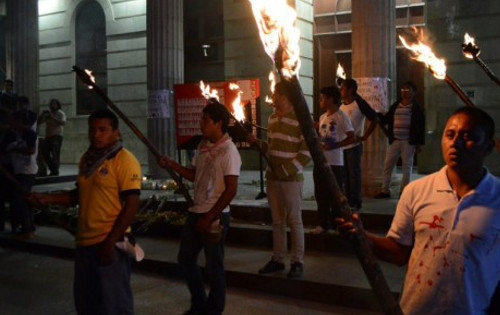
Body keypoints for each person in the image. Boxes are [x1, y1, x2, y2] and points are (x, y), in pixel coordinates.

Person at [338, 107, 500, 314]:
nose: (456, 143)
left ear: (488, 147)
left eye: (467, 136)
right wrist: (364, 237)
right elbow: (399, 252)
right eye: (450, 135)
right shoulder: (416, 191)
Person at [30, 109, 141, 314]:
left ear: (116, 132)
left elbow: (132, 204)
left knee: (114, 304)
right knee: (87, 304)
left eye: (102, 130)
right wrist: (48, 198)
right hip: (84, 244)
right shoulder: (87, 160)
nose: (96, 134)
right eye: (92, 130)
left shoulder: (124, 160)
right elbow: (79, 196)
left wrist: (110, 242)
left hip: (110, 243)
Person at [159, 102, 241, 315]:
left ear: (218, 123)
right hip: (196, 212)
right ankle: (199, 304)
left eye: (205, 120)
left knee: (214, 267)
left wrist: (210, 216)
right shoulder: (203, 146)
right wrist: (172, 165)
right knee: (185, 260)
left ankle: (214, 309)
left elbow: (231, 189)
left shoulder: (229, 151)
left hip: (215, 217)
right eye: (201, 118)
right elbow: (195, 175)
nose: (200, 123)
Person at [250, 81, 311, 278]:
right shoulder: (272, 118)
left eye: (275, 94)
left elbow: (307, 151)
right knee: (277, 221)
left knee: (294, 220)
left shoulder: (302, 119)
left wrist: (286, 170)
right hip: (273, 177)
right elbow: (271, 147)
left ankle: (297, 261)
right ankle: (278, 259)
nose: (272, 97)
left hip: (291, 179)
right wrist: (258, 144)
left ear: (284, 97)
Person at [312, 86, 355, 234]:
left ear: (331, 98)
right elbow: (321, 137)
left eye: (323, 97)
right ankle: (323, 224)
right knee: (320, 194)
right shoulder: (323, 117)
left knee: (335, 195)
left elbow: (351, 137)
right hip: (321, 161)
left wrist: (335, 145)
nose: (321, 100)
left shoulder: (341, 116)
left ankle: (340, 224)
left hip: (335, 162)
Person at [375, 81, 425, 199]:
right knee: (388, 165)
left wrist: (419, 143)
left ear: (413, 92)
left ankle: (404, 191)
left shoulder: (416, 108)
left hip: (408, 141)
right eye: (403, 90)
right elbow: (387, 119)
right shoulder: (396, 105)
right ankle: (385, 190)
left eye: (407, 90)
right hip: (395, 141)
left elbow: (420, 126)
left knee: (406, 167)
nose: (404, 92)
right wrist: (378, 114)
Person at [339, 78, 378, 211]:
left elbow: (374, 118)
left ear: (350, 89)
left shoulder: (359, 103)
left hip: (353, 146)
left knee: (354, 173)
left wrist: (365, 136)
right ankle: (348, 199)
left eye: (343, 88)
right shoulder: (341, 105)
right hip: (341, 145)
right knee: (345, 174)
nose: (341, 90)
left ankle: (355, 202)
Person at [7, 100, 39, 238]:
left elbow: (31, 150)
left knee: (22, 200)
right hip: (19, 170)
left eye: (13, 122)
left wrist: (15, 149)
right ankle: (25, 227)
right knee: (19, 199)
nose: (11, 125)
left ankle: (28, 228)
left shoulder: (29, 134)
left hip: (27, 171)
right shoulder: (18, 135)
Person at [38, 98, 66, 176]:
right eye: (51, 104)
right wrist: (42, 115)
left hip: (57, 136)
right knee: (45, 153)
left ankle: (54, 171)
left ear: (57, 105)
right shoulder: (48, 114)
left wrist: (52, 117)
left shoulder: (60, 113)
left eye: (54, 104)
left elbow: (63, 123)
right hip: (48, 136)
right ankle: (54, 170)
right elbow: (39, 122)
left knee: (55, 154)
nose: (52, 106)